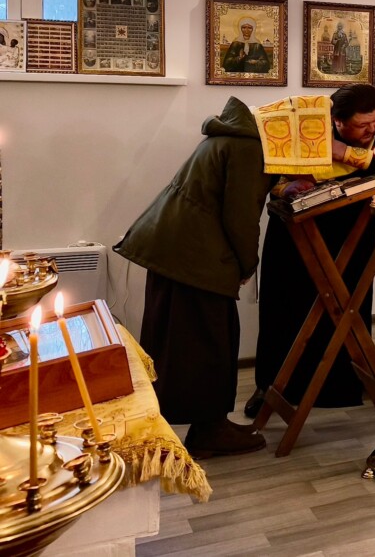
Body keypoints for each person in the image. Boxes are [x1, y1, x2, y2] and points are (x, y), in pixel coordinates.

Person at [114, 97, 276, 458]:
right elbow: (241, 218)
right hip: (193, 255)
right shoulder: (248, 148)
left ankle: (189, 424)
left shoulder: (228, 137)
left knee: (179, 342)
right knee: (207, 344)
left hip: (176, 249)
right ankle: (209, 431)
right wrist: (247, 265)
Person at [245, 84, 375, 416]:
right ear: (336, 121)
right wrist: (289, 186)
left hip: (351, 226)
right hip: (294, 228)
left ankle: (342, 383)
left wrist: (342, 152)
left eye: (374, 121)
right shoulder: (305, 120)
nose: (372, 129)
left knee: (345, 300)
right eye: (362, 125)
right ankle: (271, 386)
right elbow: (272, 169)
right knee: (282, 303)